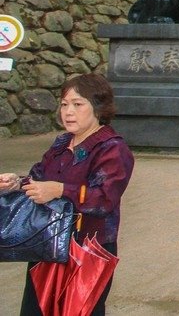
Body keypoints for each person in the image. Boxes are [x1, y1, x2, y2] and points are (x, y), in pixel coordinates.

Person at [0, 74, 135, 316]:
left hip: (87, 251)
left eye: (78, 104)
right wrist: (18, 183)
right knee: (37, 309)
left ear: (98, 108)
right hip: (46, 243)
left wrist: (60, 190)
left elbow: (104, 200)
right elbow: (39, 177)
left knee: (79, 310)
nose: (68, 112)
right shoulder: (62, 143)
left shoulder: (112, 149)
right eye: (64, 104)